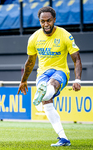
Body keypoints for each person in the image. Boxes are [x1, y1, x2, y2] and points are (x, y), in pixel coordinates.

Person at [17, 6, 82, 147]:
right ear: (39, 21)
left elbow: (76, 58)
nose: (46, 24)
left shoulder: (65, 35)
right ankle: (63, 138)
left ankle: (43, 91)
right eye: (42, 21)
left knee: (51, 84)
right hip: (43, 73)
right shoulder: (34, 38)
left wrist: (77, 79)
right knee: (47, 100)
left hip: (61, 71)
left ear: (54, 20)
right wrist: (23, 81)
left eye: (49, 21)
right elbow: (30, 62)